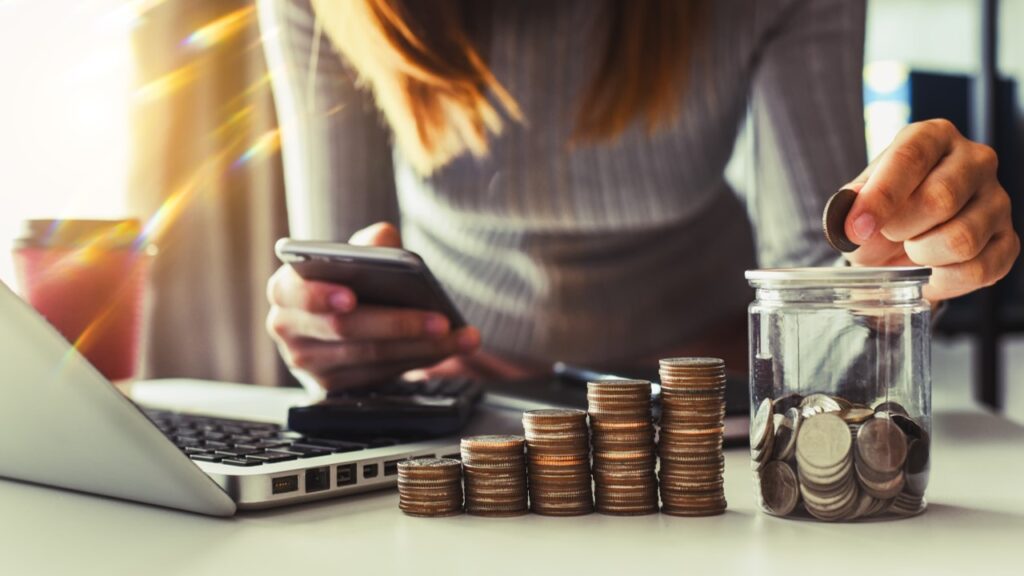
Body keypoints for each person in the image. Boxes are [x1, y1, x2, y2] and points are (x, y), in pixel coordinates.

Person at [256, 0, 1019, 394]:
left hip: (714, 378)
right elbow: (339, 274)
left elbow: (820, 317)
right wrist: (340, 340)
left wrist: (902, 275)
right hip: (466, 400)